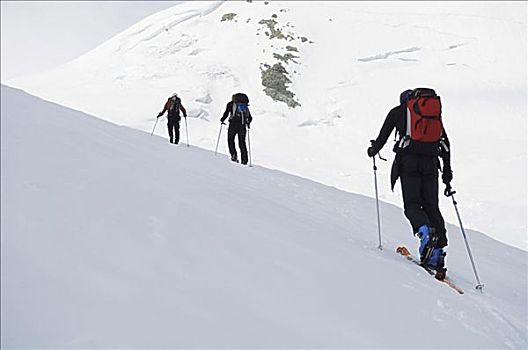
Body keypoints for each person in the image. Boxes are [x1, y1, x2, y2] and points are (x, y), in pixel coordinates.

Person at [367, 88, 453, 277]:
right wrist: (447, 173)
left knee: (412, 205)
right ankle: (437, 254)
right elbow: (445, 144)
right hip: (431, 163)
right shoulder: (432, 117)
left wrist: (373, 150)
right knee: (432, 206)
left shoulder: (398, 112)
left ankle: (425, 233)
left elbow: (383, 137)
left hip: (409, 163)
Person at [220, 93, 252, 165]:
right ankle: (244, 160)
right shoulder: (245, 106)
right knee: (242, 142)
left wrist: (222, 120)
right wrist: (248, 123)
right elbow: (250, 117)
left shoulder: (231, 104)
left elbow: (226, 113)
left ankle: (233, 155)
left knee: (230, 139)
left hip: (233, 125)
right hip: (242, 125)